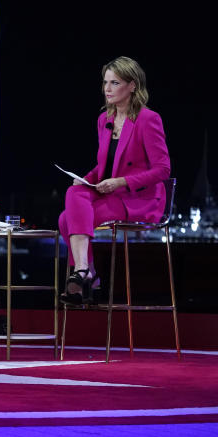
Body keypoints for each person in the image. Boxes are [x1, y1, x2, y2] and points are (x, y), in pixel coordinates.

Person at [57, 56, 170, 304]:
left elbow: (163, 169)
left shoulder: (148, 119)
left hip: (140, 198)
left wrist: (120, 182)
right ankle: (86, 272)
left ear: (132, 86)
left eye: (114, 82)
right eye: (105, 82)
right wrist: (85, 179)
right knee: (73, 194)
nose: (107, 89)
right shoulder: (104, 119)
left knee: (67, 219)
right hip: (113, 193)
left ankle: (86, 275)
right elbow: (105, 165)